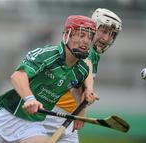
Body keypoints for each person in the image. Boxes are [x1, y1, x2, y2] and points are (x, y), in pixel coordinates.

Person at [0, 15, 96, 143]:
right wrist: (30, 99)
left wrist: (80, 113)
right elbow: (18, 76)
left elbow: (77, 89)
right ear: (68, 34)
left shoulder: (82, 70)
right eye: (81, 35)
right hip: (7, 115)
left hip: (33, 123)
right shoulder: (46, 55)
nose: (86, 41)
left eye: (90, 37)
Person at [43, 8, 122, 143]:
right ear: (93, 27)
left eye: (112, 34)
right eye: (103, 31)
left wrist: (80, 108)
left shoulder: (95, 54)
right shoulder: (83, 50)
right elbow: (84, 68)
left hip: (68, 114)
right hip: (51, 112)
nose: (106, 38)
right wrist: (82, 107)